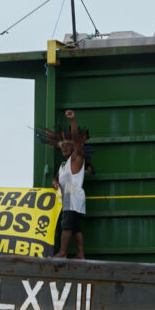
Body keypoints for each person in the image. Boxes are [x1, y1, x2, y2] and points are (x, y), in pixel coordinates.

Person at [53, 109, 87, 259]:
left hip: (72, 197)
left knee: (66, 226)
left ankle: (63, 253)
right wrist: (55, 183)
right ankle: (80, 254)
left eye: (67, 145)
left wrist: (72, 120)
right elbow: (55, 179)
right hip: (69, 197)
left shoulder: (76, 158)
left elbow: (77, 140)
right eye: (62, 147)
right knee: (75, 228)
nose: (64, 148)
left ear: (73, 147)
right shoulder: (63, 165)